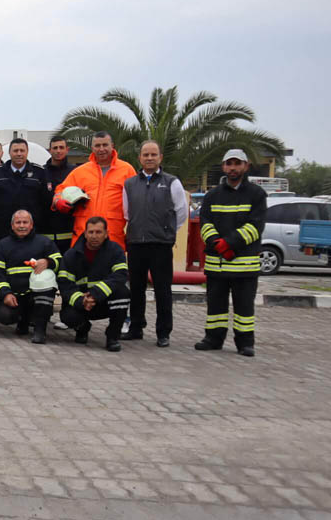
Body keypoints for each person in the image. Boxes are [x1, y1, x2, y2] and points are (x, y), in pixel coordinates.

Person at [195, 149, 267, 357]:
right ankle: (213, 339)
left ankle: (245, 343)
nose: (233, 168)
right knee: (215, 306)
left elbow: (255, 226)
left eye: (237, 163)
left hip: (244, 266)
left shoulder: (256, 194)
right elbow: (205, 222)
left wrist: (229, 243)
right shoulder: (212, 195)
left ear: (246, 166)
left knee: (244, 308)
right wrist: (215, 242)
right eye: (229, 163)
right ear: (223, 166)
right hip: (217, 264)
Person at [122, 140, 188, 347]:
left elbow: (181, 212)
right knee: (136, 289)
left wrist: (167, 232)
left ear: (160, 157)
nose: (149, 158)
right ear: (139, 158)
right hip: (136, 243)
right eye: (145, 155)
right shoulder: (130, 184)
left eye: (153, 154)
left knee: (162, 290)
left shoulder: (171, 182)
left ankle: (163, 332)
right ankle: (136, 327)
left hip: (161, 245)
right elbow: (127, 213)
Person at [0, 210, 62, 343]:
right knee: (4, 315)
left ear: (31, 225)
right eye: (18, 222)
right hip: (14, 296)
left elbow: (60, 262)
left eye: (25, 222)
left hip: (37, 296)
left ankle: (40, 331)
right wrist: (5, 294)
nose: (22, 226)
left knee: (46, 284)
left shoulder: (44, 242)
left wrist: (48, 262)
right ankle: (23, 321)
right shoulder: (3, 245)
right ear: (12, 226)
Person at [57, 216, 131, 351]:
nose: (94, 236)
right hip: (82, 304)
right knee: (67, 317)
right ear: (85, 234)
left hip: (104, 301)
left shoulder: (115, 250)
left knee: (123, 294)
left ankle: (112, 337)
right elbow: (65, 285)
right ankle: (82, 328)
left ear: (106, 234)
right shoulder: (71, 255)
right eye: (91, 232)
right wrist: (81, 300)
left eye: (98, 232)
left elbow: (120, 275)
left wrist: (96, 294)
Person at [54, 131, 136, 249]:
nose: (101, 149)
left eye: (105, 145)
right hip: (84, 236)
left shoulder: (127, 170)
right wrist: (58, 201)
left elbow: (137, 201)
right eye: (97, 146)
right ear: (92, 148)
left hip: (113, 234)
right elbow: (61, 190)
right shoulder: (80, 171)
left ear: (112, 146)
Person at [0, 138, 50, 240]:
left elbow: (45, 201)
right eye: (15, 151)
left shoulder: (39, 173)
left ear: (27, 152)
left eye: (22, 150)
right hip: (2, 231)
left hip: (32, 232)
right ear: (9, 153)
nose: (19, 154)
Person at [43, 136, 76, 253]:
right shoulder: (42, 172)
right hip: (46, 230)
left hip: (69, 230)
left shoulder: (75, 171)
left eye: (61, 147)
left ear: (67, 149)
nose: (58, 151)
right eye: (55, 148)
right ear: (49, 150)